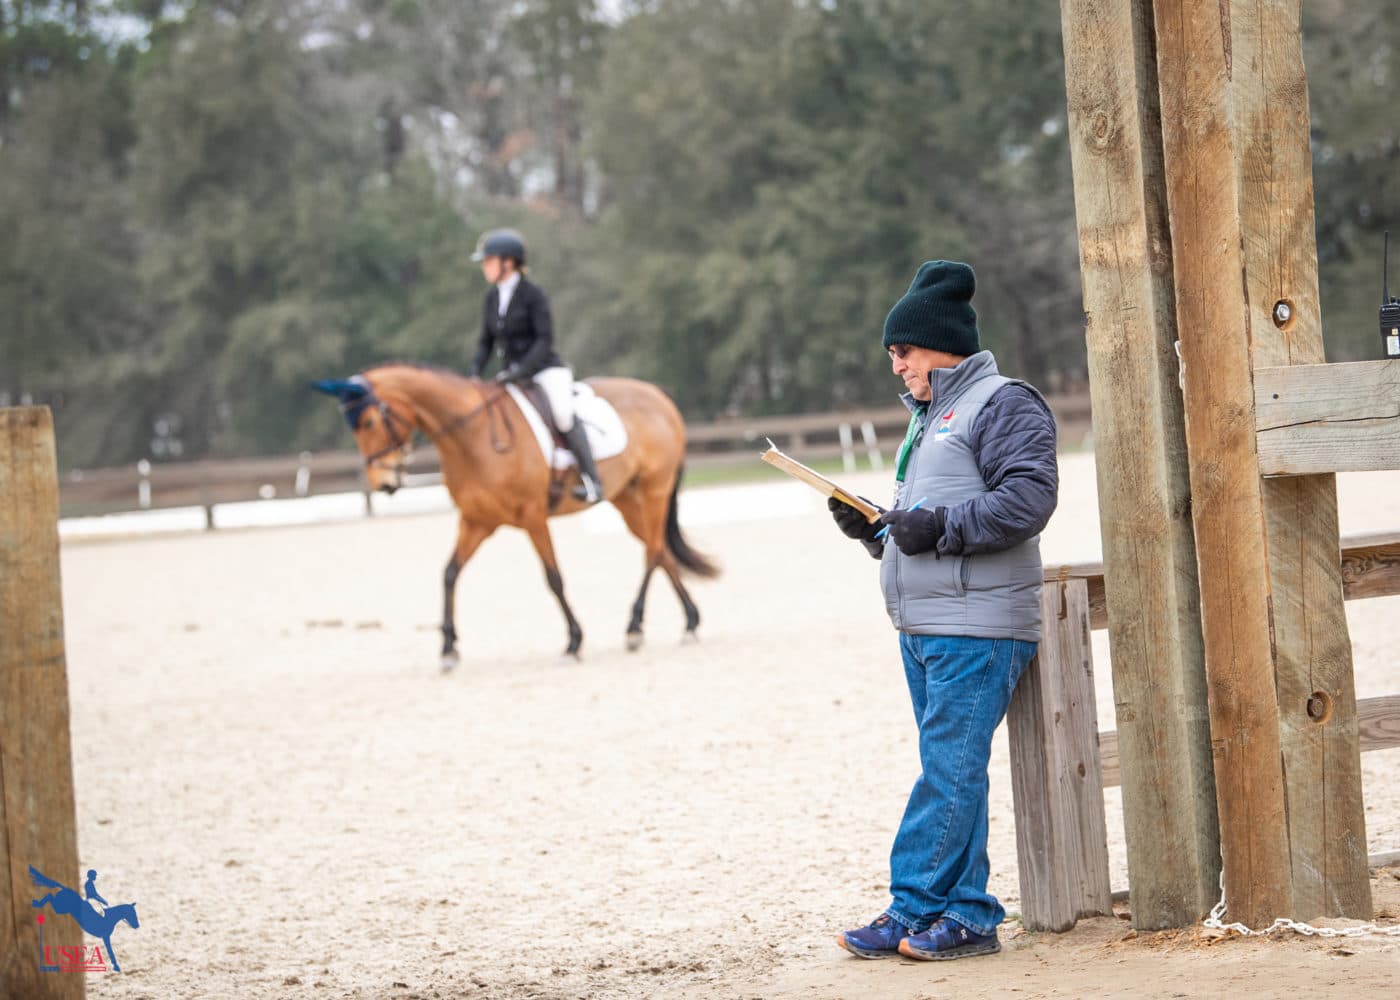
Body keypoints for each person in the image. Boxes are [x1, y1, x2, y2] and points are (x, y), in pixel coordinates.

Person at [829, 260, 1058, 961]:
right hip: (928, 623)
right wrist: (880, 533)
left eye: (903, 351)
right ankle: (967, 914)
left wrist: (937, 527)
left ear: (939, 345)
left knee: (947, 772)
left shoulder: (1003, 403)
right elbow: (930, 519)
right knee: (952, 768)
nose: (895, 365)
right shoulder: (931, 419)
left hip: (978, 626)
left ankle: (911, 908)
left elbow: (1028, 501)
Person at [468, 227, 603, 504]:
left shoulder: (533, 294)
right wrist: (473, 375)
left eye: (489, 260)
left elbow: (544, 340)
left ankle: (592, 481)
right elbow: (486, 343)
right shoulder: (492, 298)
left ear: (508, 262)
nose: (484, 266)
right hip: (510, 375)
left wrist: (520, 371)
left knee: (564, 414)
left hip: (544, 370)